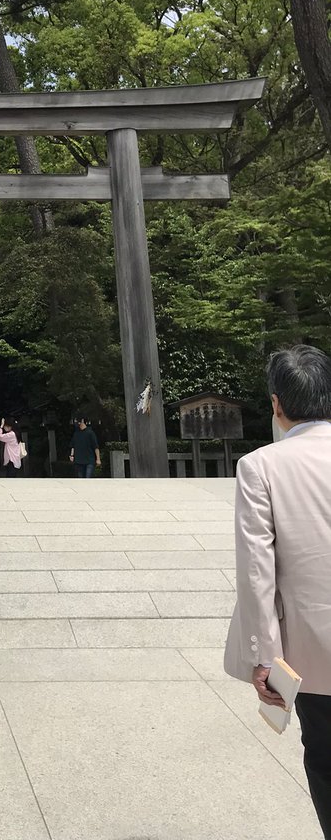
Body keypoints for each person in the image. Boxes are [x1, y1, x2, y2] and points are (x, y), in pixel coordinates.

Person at [224, 345, 331, 838]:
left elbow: (256, 573)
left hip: (314, 656)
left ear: (277, 405)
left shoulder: (261, 466)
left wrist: (263, 657)